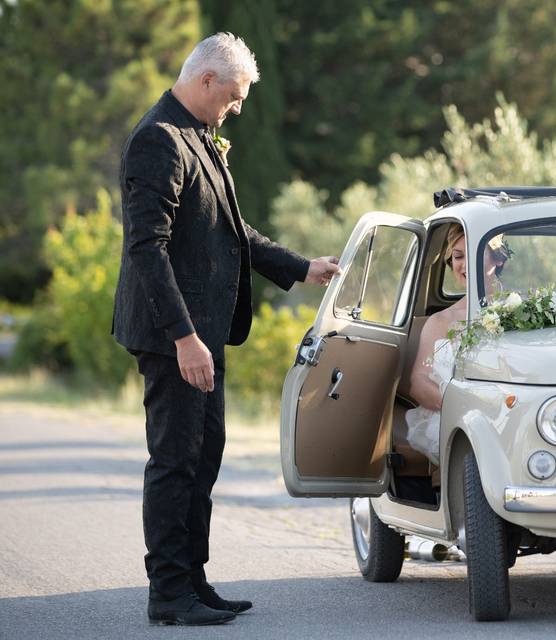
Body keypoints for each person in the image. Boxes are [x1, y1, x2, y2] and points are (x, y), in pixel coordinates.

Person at [111, 33, 341, 626]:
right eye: (234, 97)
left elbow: (232, 232)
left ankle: (193, 579)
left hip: (205, 332)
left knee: (204, 455)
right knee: (175, 459)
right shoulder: (159, 140)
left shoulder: (199, 138)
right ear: (207, 81)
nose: (237, 108)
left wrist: (301, 268)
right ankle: (167, 593)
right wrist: (185, 338)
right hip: (173, 335)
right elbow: (146, 249)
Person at [406, 225, 509, 463]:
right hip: (461, 425)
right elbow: (418, 382)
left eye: (474, 253)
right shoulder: (441, 321)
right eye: (458, 256)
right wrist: (467, 409)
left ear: (499, 260)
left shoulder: (524, 309)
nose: (464, 264)